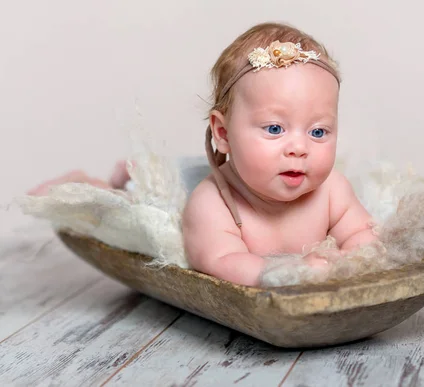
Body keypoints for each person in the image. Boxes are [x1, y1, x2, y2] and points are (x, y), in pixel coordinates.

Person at [27, 22, 380, 286]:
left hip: (226, 166)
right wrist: (282, 273)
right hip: (181, 186)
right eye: (275, 129)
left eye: (318, 132)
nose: (299, 148)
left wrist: (350, 261)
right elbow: (219, 259)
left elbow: (364, 236)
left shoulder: (332, 190)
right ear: (223, 133)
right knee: (132, 195)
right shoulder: (213, 201)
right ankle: (104, 178)